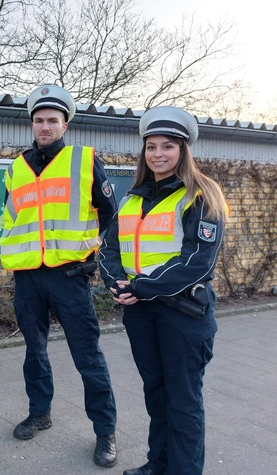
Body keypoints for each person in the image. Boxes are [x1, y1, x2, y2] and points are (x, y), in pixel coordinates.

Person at [98, 106, 229, 475]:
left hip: (183, 313)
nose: (157, 153)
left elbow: (197, 262)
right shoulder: (131, 198)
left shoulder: (201, 195)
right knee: (156, 395)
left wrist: (139, 287)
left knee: (183, 401)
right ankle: (159, 465)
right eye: (151, 146)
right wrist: (116, 283)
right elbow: (109, 248)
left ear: (184, 150)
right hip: (141, 313)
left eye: (167, 146)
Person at [0, 84, 118, 467]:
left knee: (87, 356)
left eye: (52, 120)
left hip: (70, 275)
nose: (45, 126)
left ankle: (105, 432)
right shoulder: (17, 167)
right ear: (32, 124)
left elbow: (110, 216)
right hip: (28, 277)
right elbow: (10, 219)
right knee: (34, 351)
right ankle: (40, 413)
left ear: (65, 124)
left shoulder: (84, 160)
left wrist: (94, 256)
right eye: (39, 120)